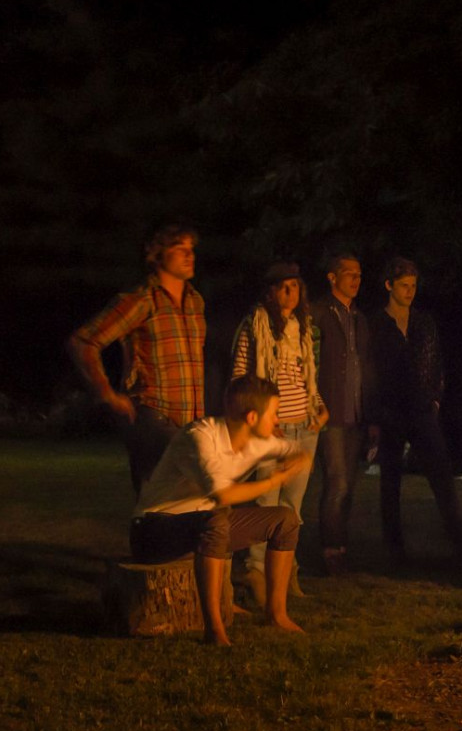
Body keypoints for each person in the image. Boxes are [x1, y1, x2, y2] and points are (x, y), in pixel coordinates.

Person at [131, 375, 309, 646]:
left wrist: (294, 460)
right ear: (252, 417)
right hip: (155, 530)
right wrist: (274, 481)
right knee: (217, 519)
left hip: (207, 527)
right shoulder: (200, 437)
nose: (276, 421)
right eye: (274, 414)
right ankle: (214, 629)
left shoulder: (257, 442)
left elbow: (300, 452)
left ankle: (276, 614)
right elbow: (222, 494)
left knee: (285, 520)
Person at [69, 221, 205, 493]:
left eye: (191, 248)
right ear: (156, 254)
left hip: (190, 421)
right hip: (153, 416)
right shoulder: (140, 300)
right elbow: (84, 341)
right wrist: (107, 393)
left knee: (189, 507)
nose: (189, 255)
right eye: (180, 248)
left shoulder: (195, 301)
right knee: (159, 504)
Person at [230, 262, 329, 604]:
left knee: (292, 507)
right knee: (265, 504)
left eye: (295, 286)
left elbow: (307, 375)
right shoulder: (255, 326)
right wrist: (256, 418)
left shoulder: (302, 328)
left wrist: (319, 406)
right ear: (270, 292)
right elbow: (241, 377)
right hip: (271, 430)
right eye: (283, 287)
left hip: (303, 426)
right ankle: (256, 571)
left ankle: (286, 572)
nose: (291, 292)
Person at [368, 257, 462, 560]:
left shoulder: (423, 322)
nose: (410, 292)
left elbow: (435, 360)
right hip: (390, 409)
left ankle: (460, 544)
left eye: (413, 286)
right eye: (404, 286)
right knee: (391, 480)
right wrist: (374, 415)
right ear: (389, 286)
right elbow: (370, 371)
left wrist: (436, 397)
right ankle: (394, 547)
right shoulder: (375, 324)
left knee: (442, 474)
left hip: (422, 408)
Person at [310, 252, 375, 576]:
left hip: (355, 413)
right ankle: (330, 550)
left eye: (359, 274)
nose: (356, 279)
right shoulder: (319, 312)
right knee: (335, 482)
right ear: (332, 277)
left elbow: (366, 366)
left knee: (348, 484)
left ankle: (341, 545)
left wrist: (370, 412)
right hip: (330, 413)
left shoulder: (359, 318)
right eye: (349, 273)